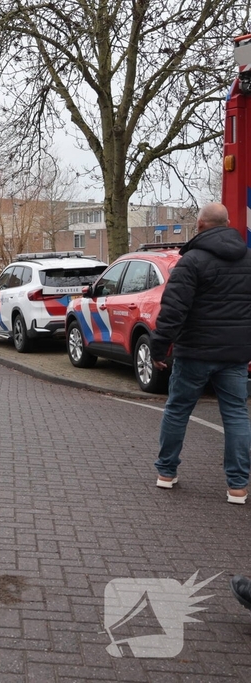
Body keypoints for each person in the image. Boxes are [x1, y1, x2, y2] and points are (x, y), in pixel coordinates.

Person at [150, 203, 251, 504]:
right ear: (228, 223)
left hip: (194, 353)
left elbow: (172, 311)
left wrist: (159, 348)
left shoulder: (191, 262)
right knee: (236, 415)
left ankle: (166, 473)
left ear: (200, 226)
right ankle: (238, 486)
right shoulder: (248, 260)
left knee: (178, 410)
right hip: (234, 355)